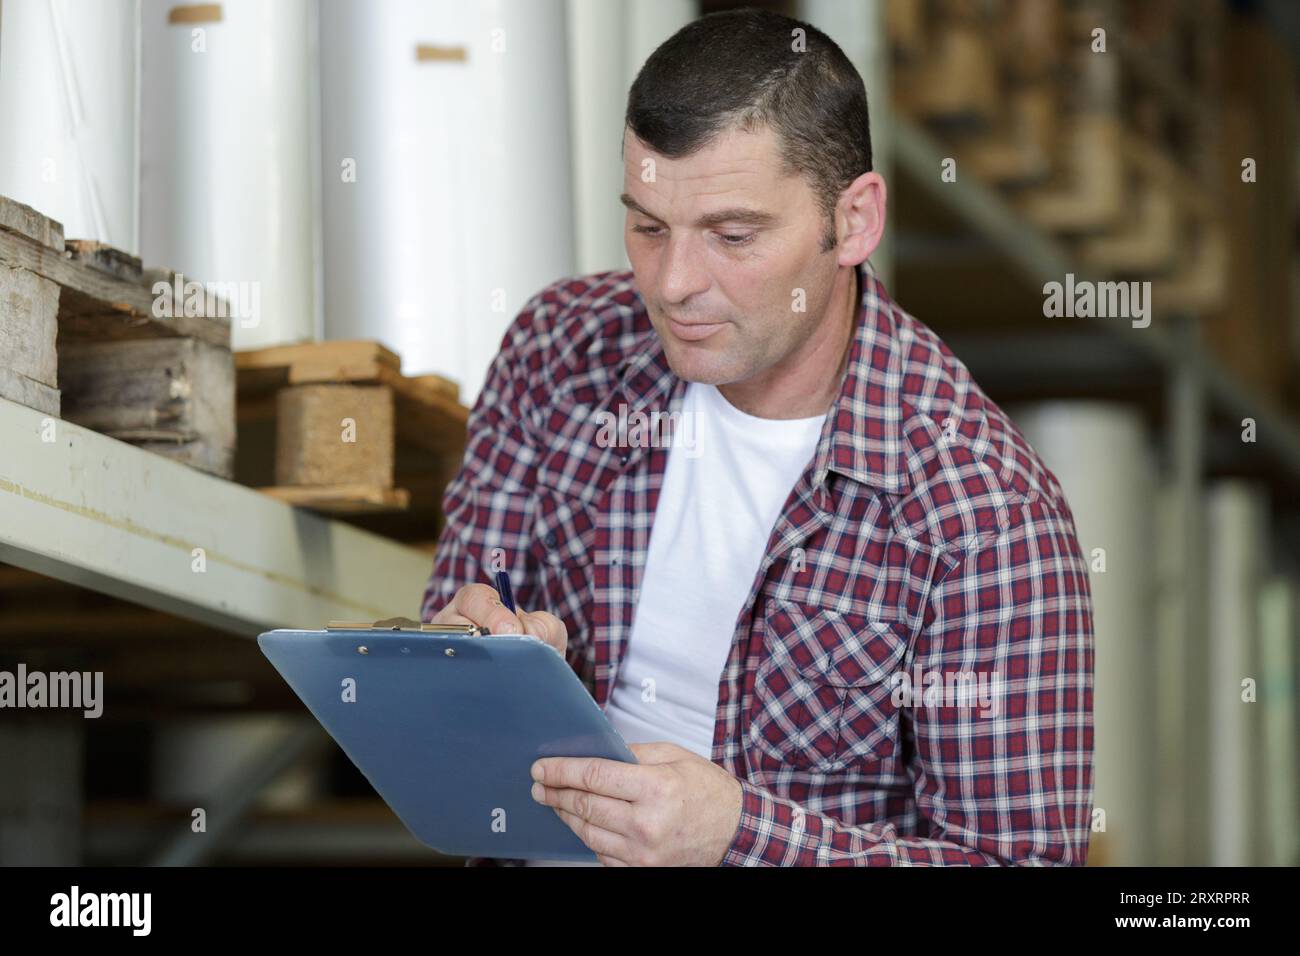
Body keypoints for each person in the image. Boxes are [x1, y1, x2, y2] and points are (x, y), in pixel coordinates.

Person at [423, 8, 1094, 867]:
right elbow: (448, 657)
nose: (673, 286)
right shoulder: (560, 351)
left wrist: (740, 839)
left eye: (733, 236)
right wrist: (474, 654)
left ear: (853, 222)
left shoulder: (985, 517)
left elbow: (1017, 863)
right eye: (648, 225)